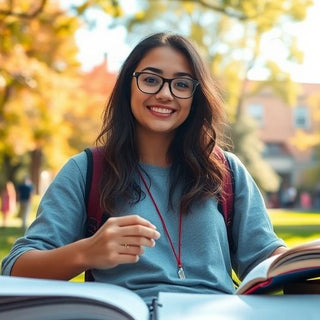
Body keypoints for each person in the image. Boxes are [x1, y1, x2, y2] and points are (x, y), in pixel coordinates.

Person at [1, 32, 286, 304]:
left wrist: (302, 260)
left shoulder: (226, 171)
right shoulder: (86, 169)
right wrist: (87, 251)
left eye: (182, 84)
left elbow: (267, 259)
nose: (165, 94)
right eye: (150, 80)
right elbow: (14, 270)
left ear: (195, 96)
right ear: (128, 85)